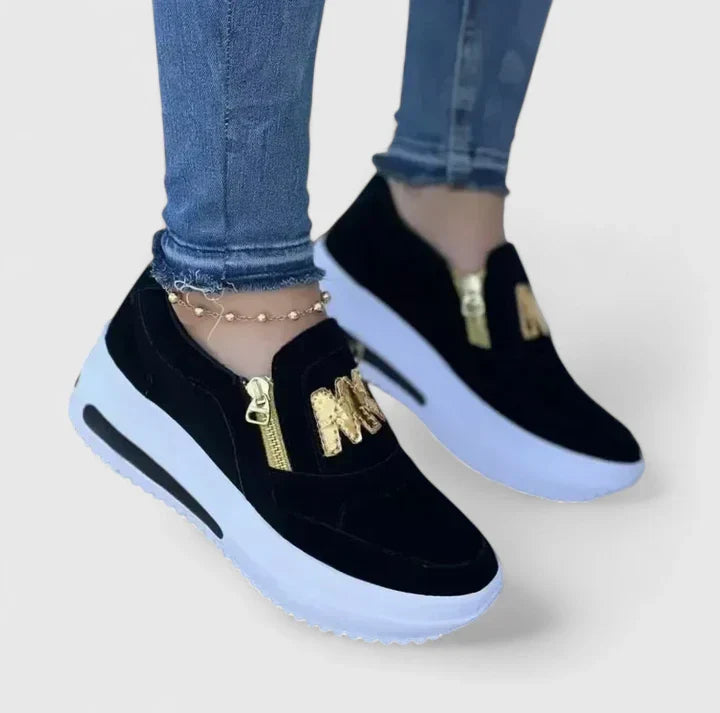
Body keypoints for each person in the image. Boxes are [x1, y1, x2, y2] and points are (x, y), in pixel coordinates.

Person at [70, 0, 642, 643]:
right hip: (218, 302)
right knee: (237, 261)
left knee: (453, 172)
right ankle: (229, 293)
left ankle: (439, 211)